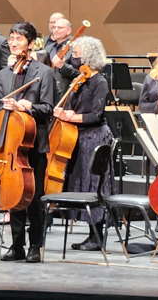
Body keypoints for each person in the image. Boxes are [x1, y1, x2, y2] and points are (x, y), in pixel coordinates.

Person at [0, 22, 54, 263]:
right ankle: (16, 245)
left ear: (30, 43)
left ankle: (35, 246)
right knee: (13, 195)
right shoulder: (4, 73)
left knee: (34, 197)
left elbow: (47, 108)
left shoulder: (43, 72)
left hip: (33, 143)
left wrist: (28, 106)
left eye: (19, 38)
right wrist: (5, 106)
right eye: (11, 38)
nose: (13, 42)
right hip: (10, 142)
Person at [53, 36, 115, 252]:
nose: (74, 58)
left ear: (89, 56)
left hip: (95, 137)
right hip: (80, 137)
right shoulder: (82, 79)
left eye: (77, 54)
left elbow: (95, 115)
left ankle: (97, 237)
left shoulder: (100, 81)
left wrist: (70, 117)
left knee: (94, 184)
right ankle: (91, 235)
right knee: (82, 182)